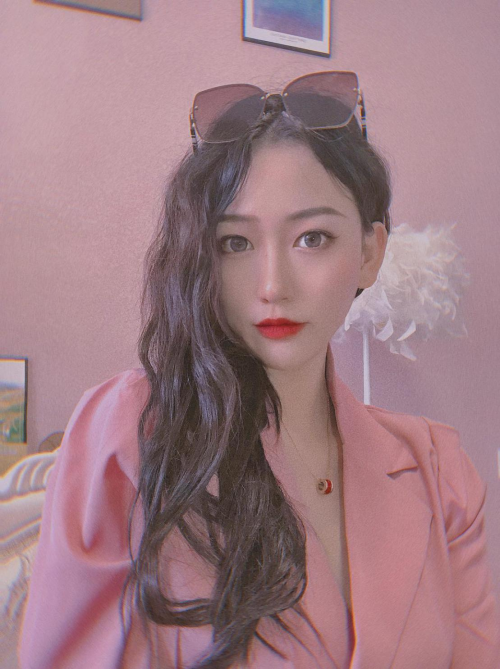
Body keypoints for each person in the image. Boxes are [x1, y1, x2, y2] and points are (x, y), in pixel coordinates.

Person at [19, 71, 500, 669]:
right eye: (235, 243)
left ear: (370, 252)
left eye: (313, 238)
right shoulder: (127, 432)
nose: (273, 285)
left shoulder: (438, 470)